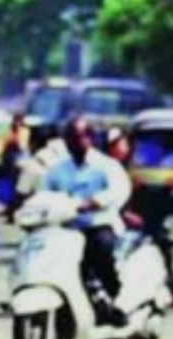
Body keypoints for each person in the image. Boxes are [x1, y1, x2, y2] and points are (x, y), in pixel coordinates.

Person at [42, 116, 132, 326]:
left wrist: (95, 201)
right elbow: (43, 194)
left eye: (80, 137)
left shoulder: (106, 166)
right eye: (70, 138)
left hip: (97, 225)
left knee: (101, 247)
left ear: (90, 138)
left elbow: (120, 190)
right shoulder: (58, 170)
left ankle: (112, 296)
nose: (75, 142)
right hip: (66, 228)